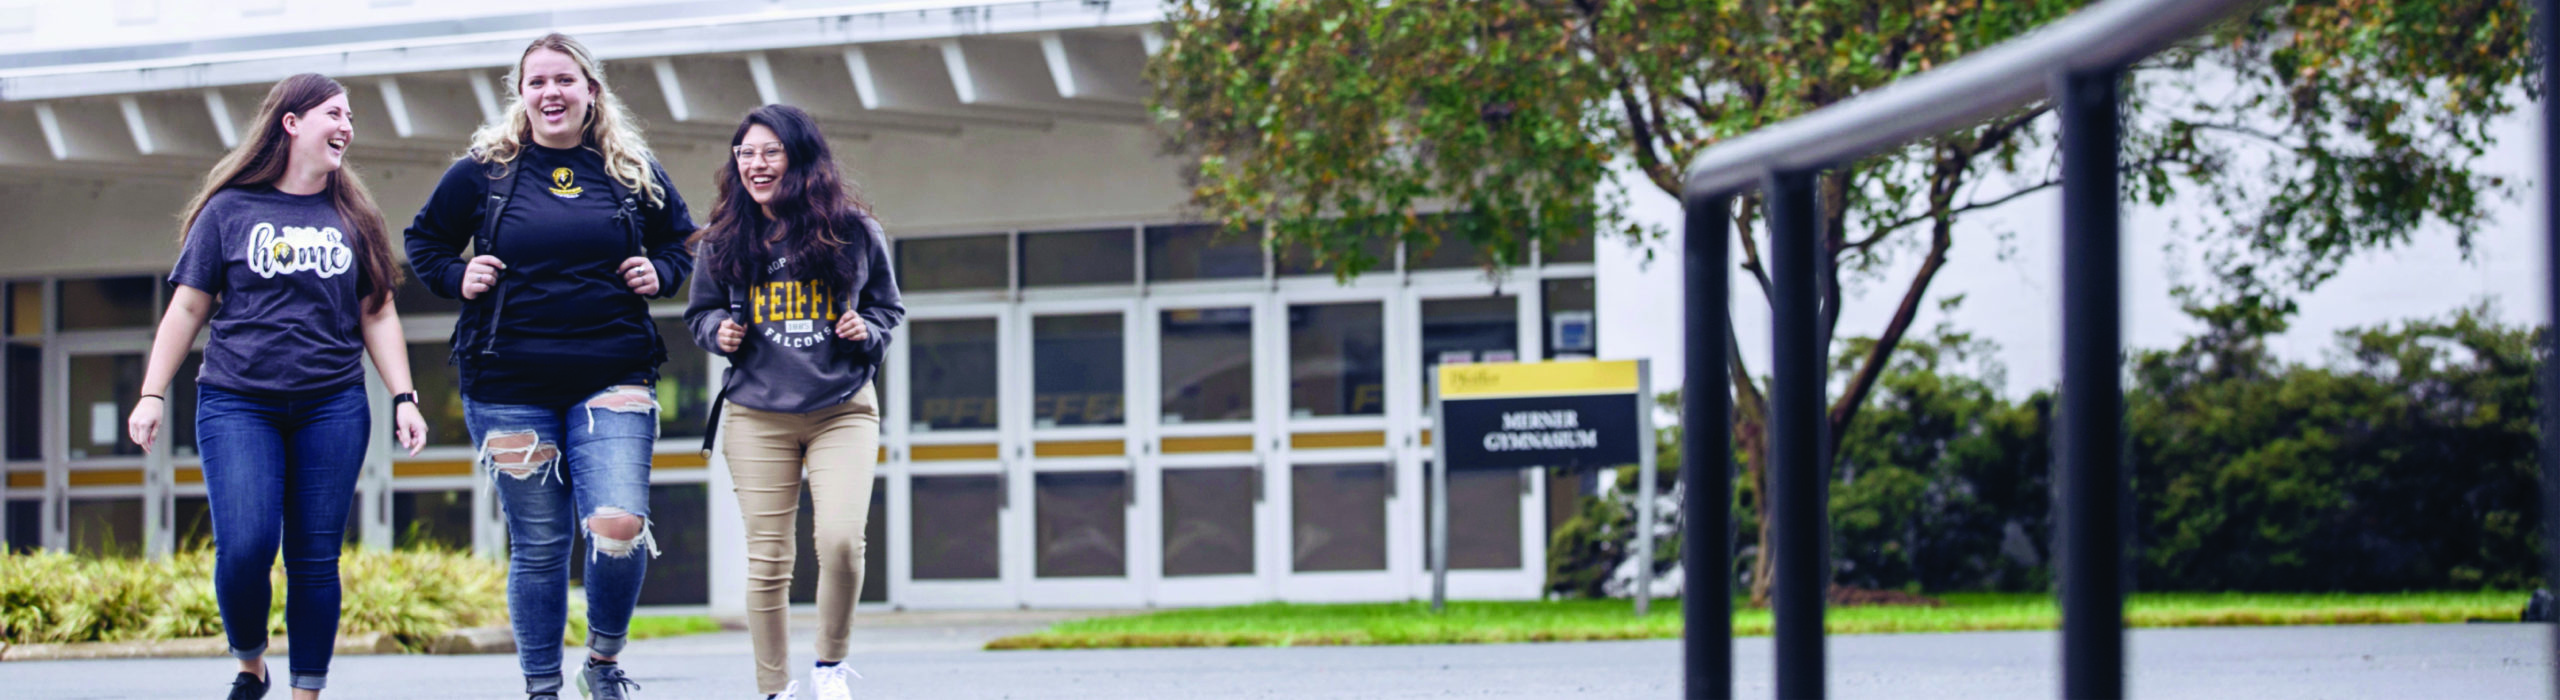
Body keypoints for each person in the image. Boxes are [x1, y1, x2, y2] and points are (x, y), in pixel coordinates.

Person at [402, 32, 695, 700]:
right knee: (538, 547)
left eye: (564, 80)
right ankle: (541, 688)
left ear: (591, 90)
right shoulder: (486, 169)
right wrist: (456, 273)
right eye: (536, 82)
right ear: (521, 93)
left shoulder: (628, 167)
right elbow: (424, 240)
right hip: (509, 385)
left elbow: (681, 240)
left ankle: (602, 662)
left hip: (612, 371)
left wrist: (664, 270)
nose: (551, 93)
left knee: (617, 525)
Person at [126, 72, 431, 700]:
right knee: (245, 546)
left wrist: (405, 396)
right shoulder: (229, 210)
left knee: (315, 561)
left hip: (333, 403)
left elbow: (377, 312)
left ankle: (306, 693)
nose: (347, 125)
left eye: (352, 116)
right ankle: (251, 663)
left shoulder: (354, 215)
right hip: (238, 401)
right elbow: (187, 309)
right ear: (291, 122)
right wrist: (152, 392)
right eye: (334, 113)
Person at [684, 104, 901, 700]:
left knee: (839, 542)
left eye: (770, 152)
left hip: (841, 407)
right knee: (768, 559)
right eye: (745, 153)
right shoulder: (724, 237)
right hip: (757, 414)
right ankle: (774, 689)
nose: (755, 164)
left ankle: (830, 664)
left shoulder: (854, 230)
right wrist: (716, 333)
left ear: (800, 158)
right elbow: (699, 312)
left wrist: (869, 329)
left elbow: (888, 306)